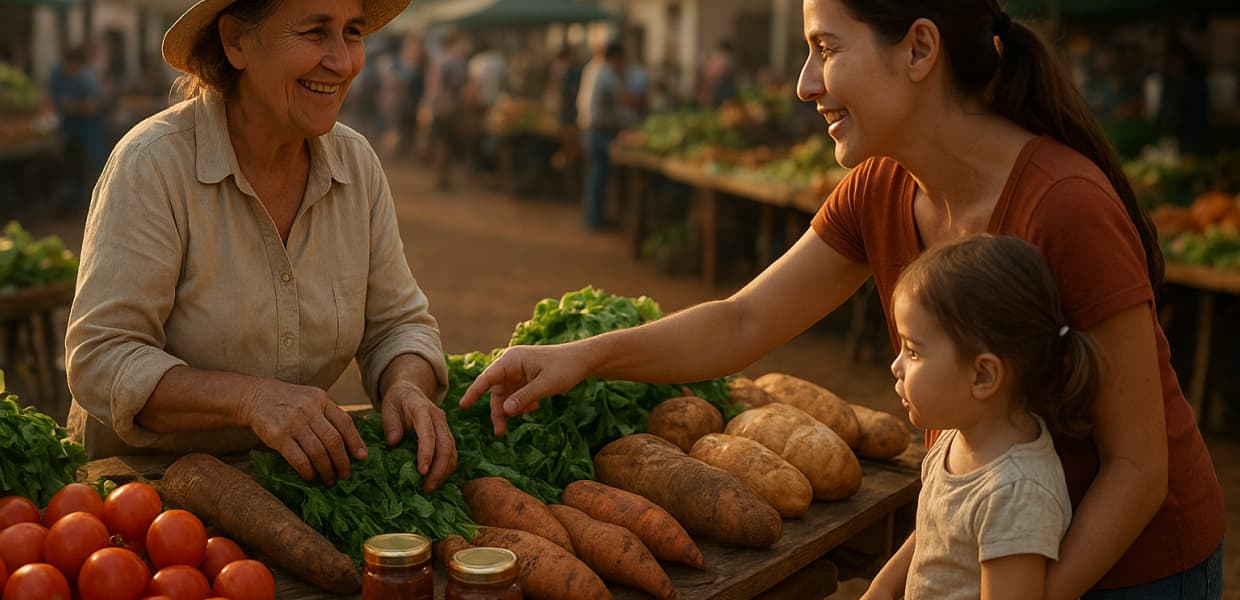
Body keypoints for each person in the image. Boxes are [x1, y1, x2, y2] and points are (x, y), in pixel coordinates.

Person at [461, 1, 1225, 598]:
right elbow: (744, 319)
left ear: (920, 49)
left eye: (825, 47)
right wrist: (579, 357)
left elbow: (1136, 469)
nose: (804, 82)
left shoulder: (1065, 204)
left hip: (1130, 568)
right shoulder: (881, 187)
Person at [65, 0, 457, 491]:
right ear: (236, 42)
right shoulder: (153, 165)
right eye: (315, 33)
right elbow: (103, 357)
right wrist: (249, 400)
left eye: (352, 33)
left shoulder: (356, 165)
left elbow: (397, 326)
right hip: (139, 496)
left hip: (288, 486)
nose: (343, 61)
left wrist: (406, 387)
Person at [883, 234, 1097, 599]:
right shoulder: (955, 439)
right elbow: (936, 529)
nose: (896, 366)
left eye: (913, 352)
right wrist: (881, 588)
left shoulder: (1017, 493)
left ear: (983, 376)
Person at [48, 45, 107, 214]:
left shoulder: (87, 79)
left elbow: (92, 107)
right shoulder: (57, 75)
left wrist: (72, 106)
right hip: (69, 129)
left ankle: (98, 205)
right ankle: (73, 203)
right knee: (71, 167)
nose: (70, 68)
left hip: (89, 130)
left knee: (94, 165)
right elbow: (51, 100)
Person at [576, 40, 628, 230]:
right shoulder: (606, 74)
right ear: (616, 57)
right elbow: (622, 99)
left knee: (595, 175)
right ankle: (595, 220)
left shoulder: (593, 69)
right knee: (599, 176)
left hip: (590, 127)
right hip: (599, 130)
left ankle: (593, 217)